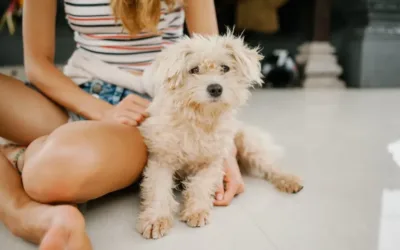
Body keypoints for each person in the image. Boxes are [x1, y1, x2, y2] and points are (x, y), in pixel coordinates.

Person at [0, 0, 245, 249]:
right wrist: (101, 111)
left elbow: (211, 62)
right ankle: (23, 191)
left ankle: (30, 209)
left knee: (47, 173)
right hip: (76, 94)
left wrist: (221, 149)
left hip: (148, 112)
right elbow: (37, 63)